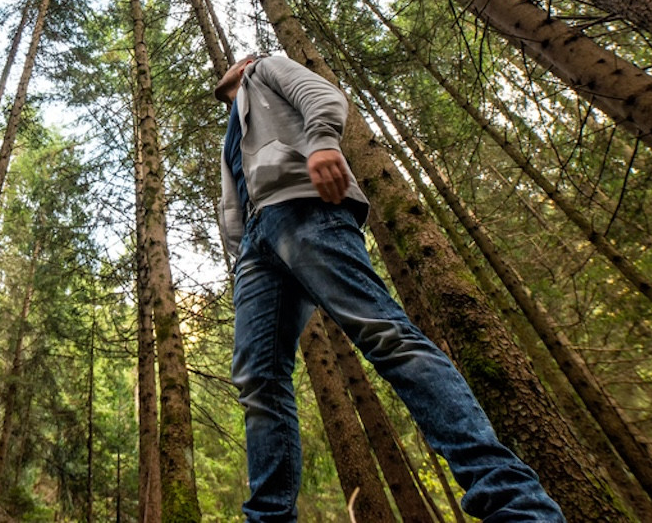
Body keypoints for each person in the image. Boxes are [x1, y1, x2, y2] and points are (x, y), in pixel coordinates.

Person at [216, 53, 565, 522]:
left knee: (385, 334)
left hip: (303, 206)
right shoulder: (232, 126)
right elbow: (234, 198)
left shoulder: (266, 68)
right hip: (256, 250)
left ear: (245, 61)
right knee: (258, 382)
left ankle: (515, 505)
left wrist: (321, 143)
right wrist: (239, 255)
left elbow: (322, 94)